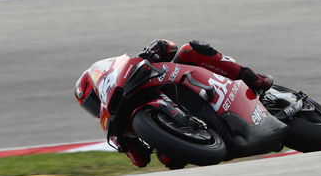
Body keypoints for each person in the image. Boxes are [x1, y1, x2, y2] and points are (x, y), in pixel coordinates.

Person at [75, 39, 273, 167]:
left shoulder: (138, 68)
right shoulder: (115, 129)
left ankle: (255, 79)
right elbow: (140, 161)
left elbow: (169, 46)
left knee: (191, 49)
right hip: (197, 143)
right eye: (91, 104)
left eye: (94, 97)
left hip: (191, 82)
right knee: (168, 160)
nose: (95, 104)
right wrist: (127, 146)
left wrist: (154, 50)